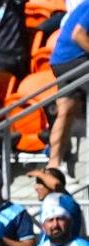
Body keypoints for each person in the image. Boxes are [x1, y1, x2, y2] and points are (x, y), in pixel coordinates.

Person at [49, 2, 89, 169]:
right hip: (73, 59)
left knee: (66, 110)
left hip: (60, 59)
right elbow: (78, 34)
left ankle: (54, 164)